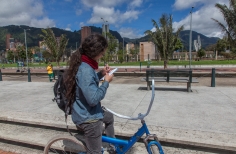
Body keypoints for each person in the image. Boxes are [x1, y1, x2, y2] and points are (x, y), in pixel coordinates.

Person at [64, 34, 115, 154]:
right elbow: (93, 99)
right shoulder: (86, 69)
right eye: (102, 53)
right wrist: (106, 82)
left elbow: (86, 84)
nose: (102, 56)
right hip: (89, 119)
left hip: (86, 112)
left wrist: (101, 74)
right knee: (95, 152)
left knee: (109, 117)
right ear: (96, 53)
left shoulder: (84, 65)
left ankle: (112, 146)